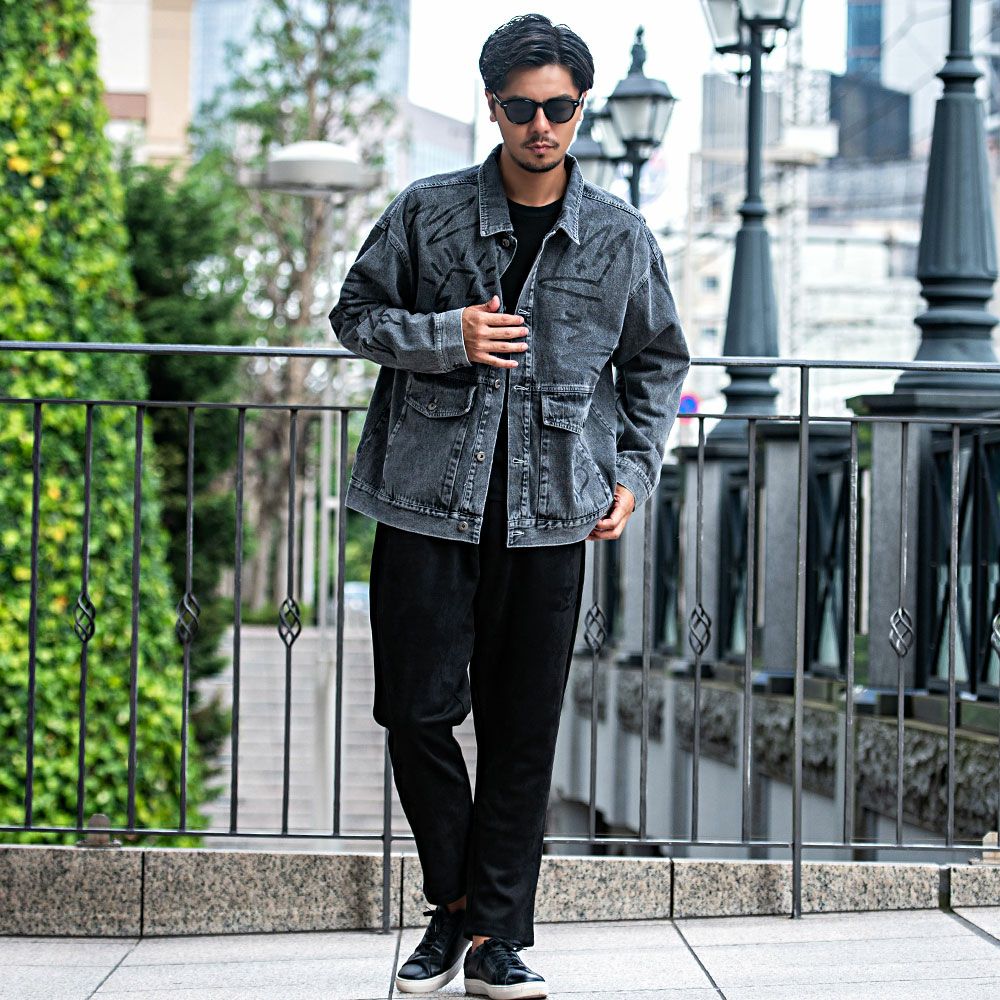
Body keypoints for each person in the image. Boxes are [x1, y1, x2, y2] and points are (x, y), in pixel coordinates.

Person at [328, 13, 690, 998]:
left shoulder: (619, 235)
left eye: (560, 109)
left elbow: (657, 364)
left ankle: (494, 939)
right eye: (523, 108)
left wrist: (633, 472)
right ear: (492, 107)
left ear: (581, 109)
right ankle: (454, 902)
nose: (542, 127)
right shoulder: (428, 211)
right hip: (423, 503)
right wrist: (446, 334)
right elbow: (354, 315)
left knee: (522, 733)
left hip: (553, 514)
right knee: (413, 712)